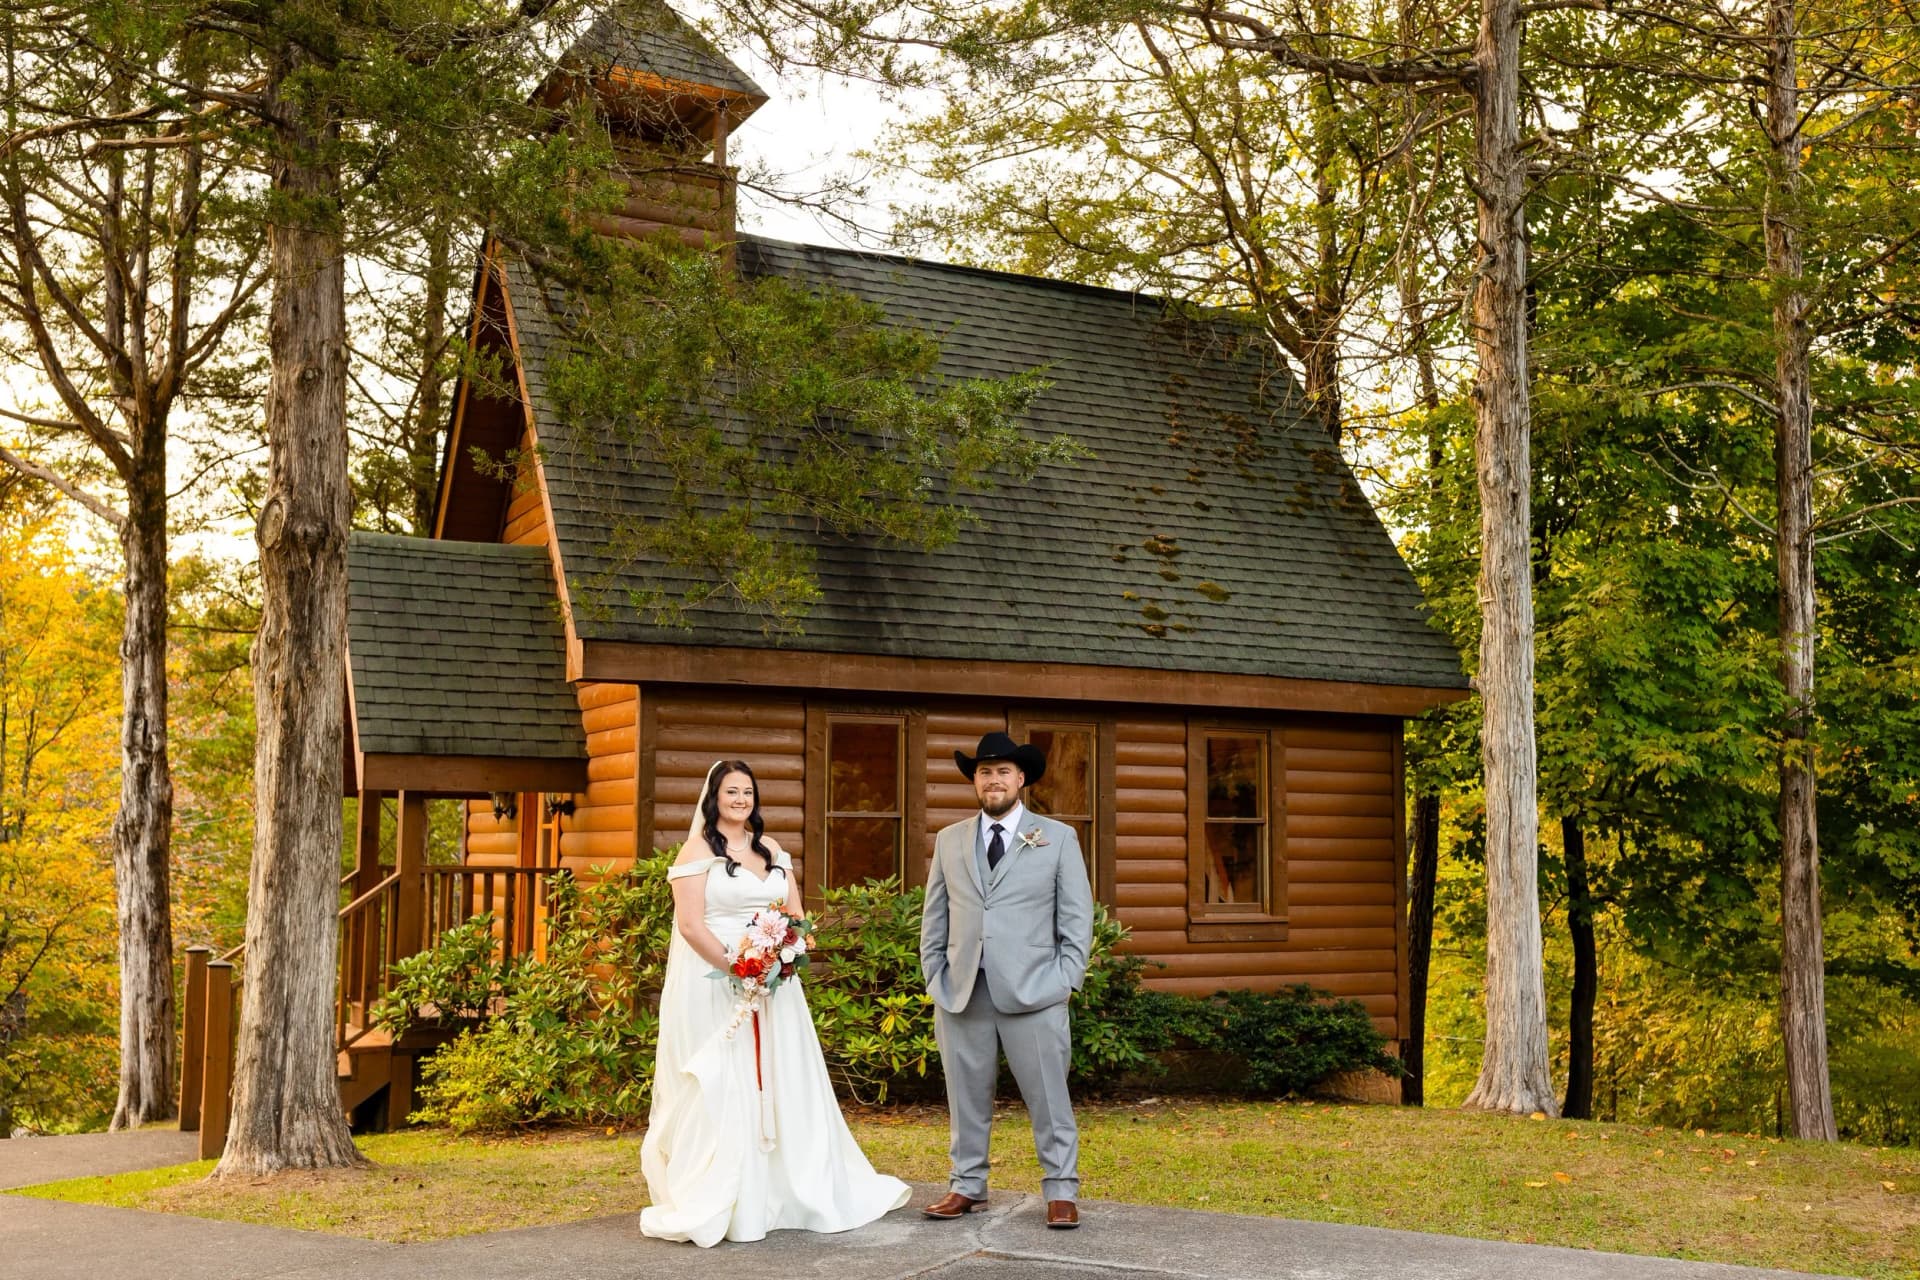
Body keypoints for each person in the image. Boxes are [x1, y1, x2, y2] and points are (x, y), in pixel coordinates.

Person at [640, 759, 909, 1246]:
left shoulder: (773, 850)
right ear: (714, 798)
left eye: (747, 792)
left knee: (780, 1077)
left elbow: (795, 914)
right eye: (731, 792)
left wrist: (782, 957)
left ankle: (787, 1188)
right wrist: (737, 968)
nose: (740, 800)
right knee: (727, 1079)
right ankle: (728, 1192)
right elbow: (690, 925)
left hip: (775, 985)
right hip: (716, 982)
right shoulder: (696, 850)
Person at [918, 731, 1095, 1230]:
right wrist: (936, 973)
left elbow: (1077, 919)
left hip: (1036, 991)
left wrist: (1064, 980)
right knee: (965, 1097)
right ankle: (966, 1186)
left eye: (1001, 772)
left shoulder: (1057, 838)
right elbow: (936, 917)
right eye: (983, 772)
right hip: (962, 990)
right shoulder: (950, 840)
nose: (992, 780)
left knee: (1048, 1096)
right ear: (975, 782)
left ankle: (1061, 1190)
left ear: (1021, 780)